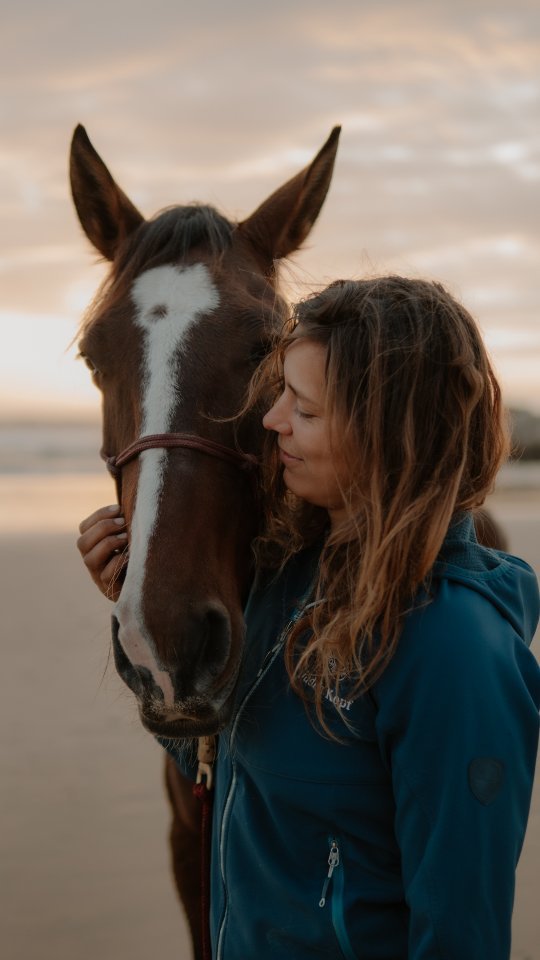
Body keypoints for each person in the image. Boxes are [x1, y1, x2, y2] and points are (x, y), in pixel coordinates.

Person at [78, 276, 540, 960]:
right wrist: (148, 632)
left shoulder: (455, 650)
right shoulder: (290, 581)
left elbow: (459, 933)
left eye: (305, 408)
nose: (272, 423)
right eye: (280, 395)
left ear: (388, 432)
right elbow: (234, 764)